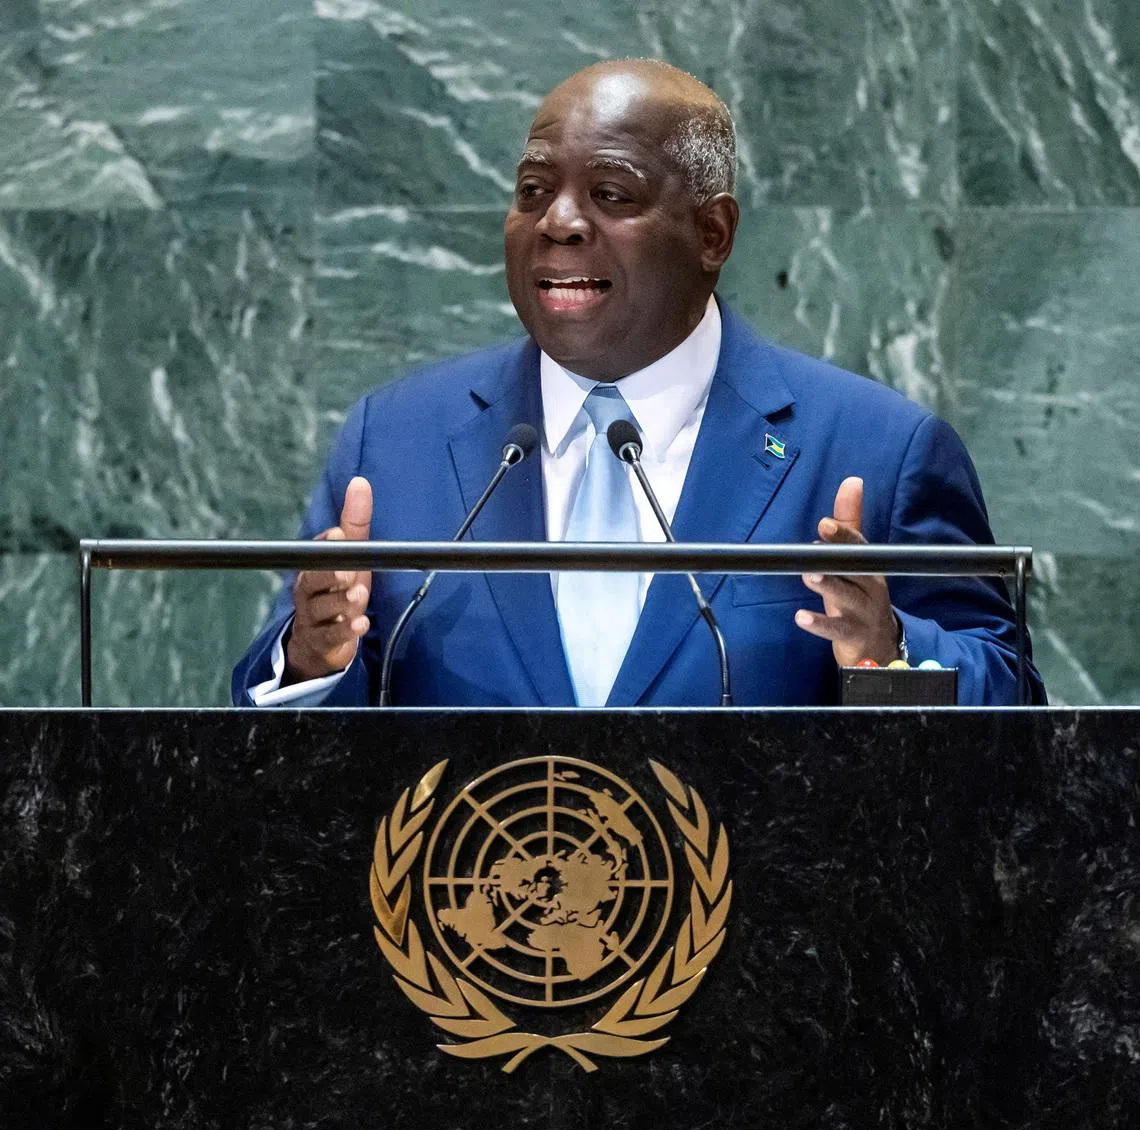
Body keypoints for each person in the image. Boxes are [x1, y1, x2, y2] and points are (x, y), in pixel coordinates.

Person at [232, 59, 1045, 709]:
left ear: (712, 233)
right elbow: (279, 726)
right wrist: (311, 657)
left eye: (610, 194)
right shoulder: (396, 439)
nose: (559, 221)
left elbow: (1012, 704)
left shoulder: (875, 449)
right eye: (533, 191)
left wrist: (889, 648)